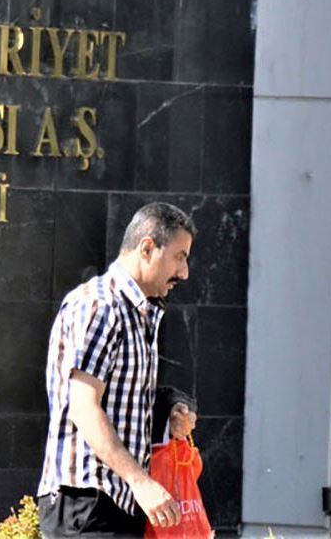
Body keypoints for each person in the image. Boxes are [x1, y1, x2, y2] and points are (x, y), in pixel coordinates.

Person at [36, 202, 197, 537]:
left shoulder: (139, 312)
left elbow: (123, 398)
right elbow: (83, 406)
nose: (184, 273)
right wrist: (141, 482)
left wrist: (169, 410)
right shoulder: (100, 305)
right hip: (87, 502)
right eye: (179, 257)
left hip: (120, 502)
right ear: (147, 248)